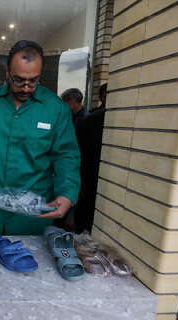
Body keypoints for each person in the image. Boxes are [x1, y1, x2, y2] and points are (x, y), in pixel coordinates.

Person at [0, 40, 81, 235]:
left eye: (34, 81)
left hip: (32, 218)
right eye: (19, 80)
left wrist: (67, 193)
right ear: (7, 73)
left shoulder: (56, 109)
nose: (26, 88)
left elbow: (66, 156)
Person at [74, 83, 107, 233]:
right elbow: (78, 154)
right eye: (107, 95)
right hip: (90, 180)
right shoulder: (91, 121)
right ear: (100, 97)